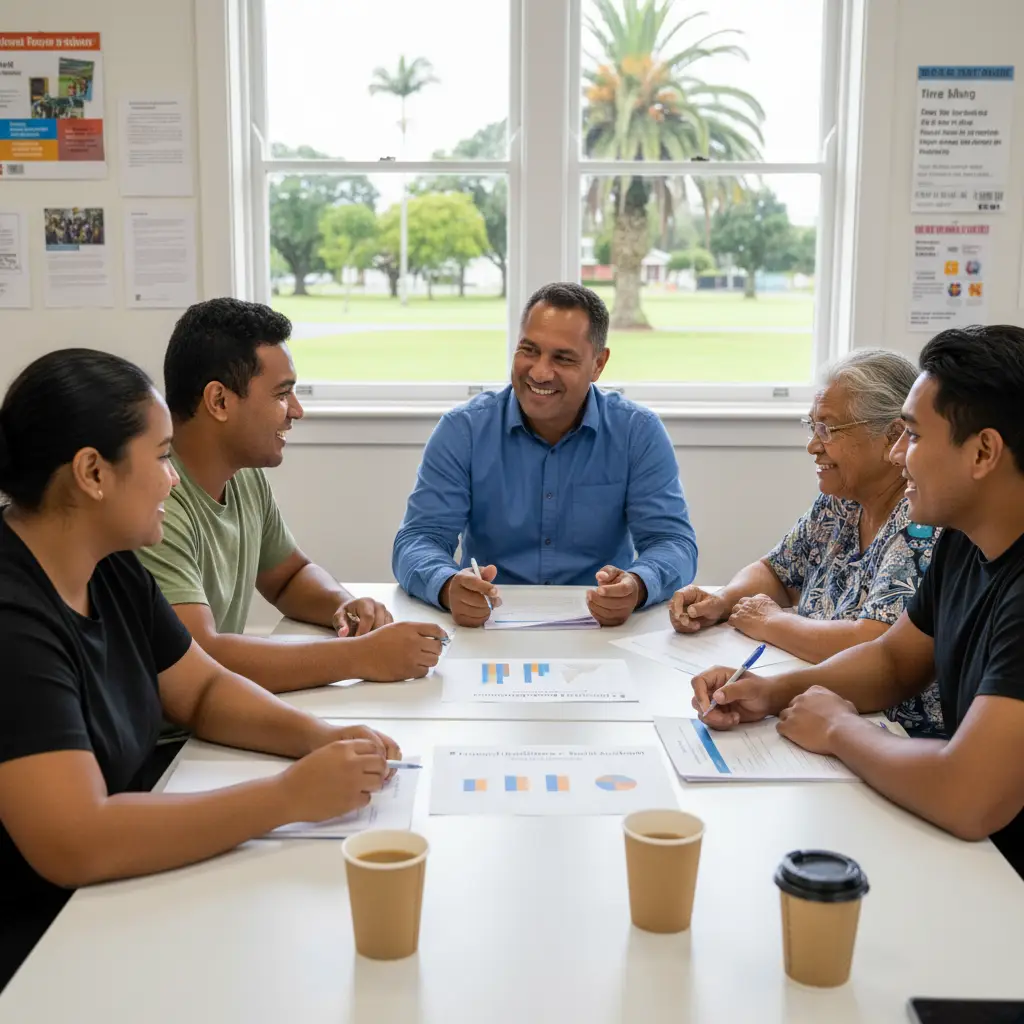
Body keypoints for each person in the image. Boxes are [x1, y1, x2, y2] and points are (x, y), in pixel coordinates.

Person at [0, 350, 403, 990]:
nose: (173, 480)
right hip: (40, 949)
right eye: (162, 457)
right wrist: (287, 797)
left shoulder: (110, 564)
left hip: (107, 901)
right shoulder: (14, 621)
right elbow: (76, 840)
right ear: (92, 472)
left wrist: (319, 737)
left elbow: (203, 690)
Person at [691, 325, 1024, 878]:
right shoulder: (966, 542)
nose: (898, 454)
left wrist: (839, 729)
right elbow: (894, 660)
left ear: (983, 452)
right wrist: (770, 693)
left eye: (913, 436)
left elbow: (969, 795)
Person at [138, 298, 445, 694]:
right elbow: (198, 657)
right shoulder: (156, 504)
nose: (297, 411)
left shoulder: (243, 476)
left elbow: (288, 577)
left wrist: (343, 605)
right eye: (282, 394)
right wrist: (361, 656)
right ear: (219, 401)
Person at [392, 282, 698, 628]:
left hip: (602, 629)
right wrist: (447, 585)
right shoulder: (463, 430)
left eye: (562, 358)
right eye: (529, 350)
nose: (539, 372)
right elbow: (419, 539)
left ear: (598, 364)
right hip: (489, 626)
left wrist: (638, 585)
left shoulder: (637, 432)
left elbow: (672, 542)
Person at [671, 349, 943, 736]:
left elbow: (876, 644)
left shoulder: (920, 524)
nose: (813, 446)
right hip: (816, 700)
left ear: (891, 436)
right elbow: (775, 571)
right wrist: (723, 600)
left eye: (828, 430)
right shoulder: (841, 501)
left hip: (889, 728)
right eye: (812, 427)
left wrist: (773, 623)